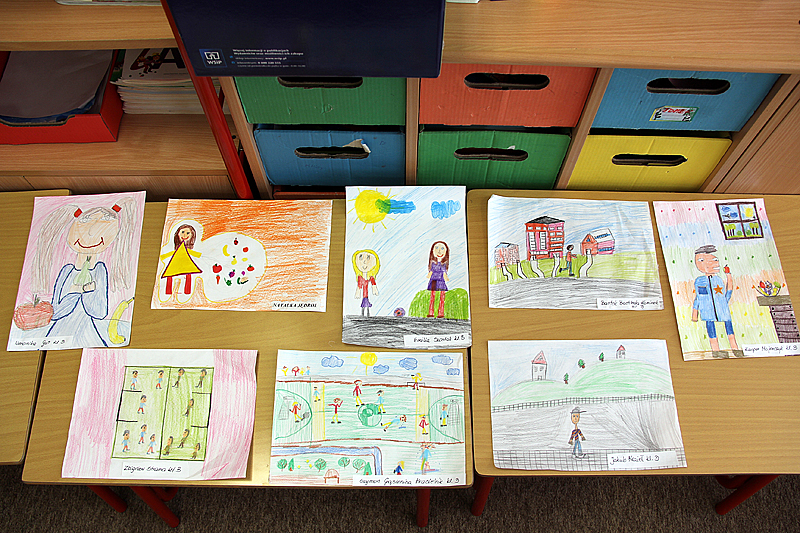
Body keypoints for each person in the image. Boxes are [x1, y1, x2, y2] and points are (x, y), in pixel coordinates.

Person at [29, 198, 138, 347]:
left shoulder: (99, 270)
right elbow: (56, 312)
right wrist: (75, 292)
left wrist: (86, 293)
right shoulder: (66, 271)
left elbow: (99, 313)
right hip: (59, 334)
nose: (90, 236)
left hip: (87, 334)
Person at [691, 245, 740, 353]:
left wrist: (729, 276)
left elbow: (728, 292)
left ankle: (735, 347)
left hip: (722, 309)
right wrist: (695, 312)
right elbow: (699, 297)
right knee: (711, 328)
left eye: (715, 260)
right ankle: (716, 350)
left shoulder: (718, 280)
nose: (715, 263)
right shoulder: (700, 281)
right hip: (707, 311)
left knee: (729, 327)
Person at [159, 224, 202, 296]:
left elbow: (191, 252)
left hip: (186, 265)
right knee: (170, 276)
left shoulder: (185, 249)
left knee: (188, 274)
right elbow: (173, 253)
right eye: (182, 232)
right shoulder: (179, 248)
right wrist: (164, 256)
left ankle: (187, 291)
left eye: (188, 233)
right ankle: (168, 291)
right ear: (178, 234)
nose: (185, 235)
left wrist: (199, 255)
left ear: (192, 235)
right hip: (174, 264)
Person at [352, 250, 380, 317]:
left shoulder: (370, 277)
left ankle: (367, 314)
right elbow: (359, 285)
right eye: (360, 258)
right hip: (364, 296)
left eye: (368, 258)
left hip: (366, 296)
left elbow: (373, 283)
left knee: (366, 305)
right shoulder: (360, 277)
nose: (364, 261)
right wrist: (358, 292)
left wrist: (374, 289)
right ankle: (363, 314)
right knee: (364, 305)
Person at [427, 241, 450, 318]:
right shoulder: (433, 263)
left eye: (442, 248)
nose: (439, 251)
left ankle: (441, 313)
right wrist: (429, 275)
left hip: (441, 281)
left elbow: (444, 272)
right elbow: (431, 270)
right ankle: (431, 313)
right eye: (436, 248)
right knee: (432, 297)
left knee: (442, 297)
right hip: (434, 280)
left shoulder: (444, 264)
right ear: (432, 251)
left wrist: (446, 277)